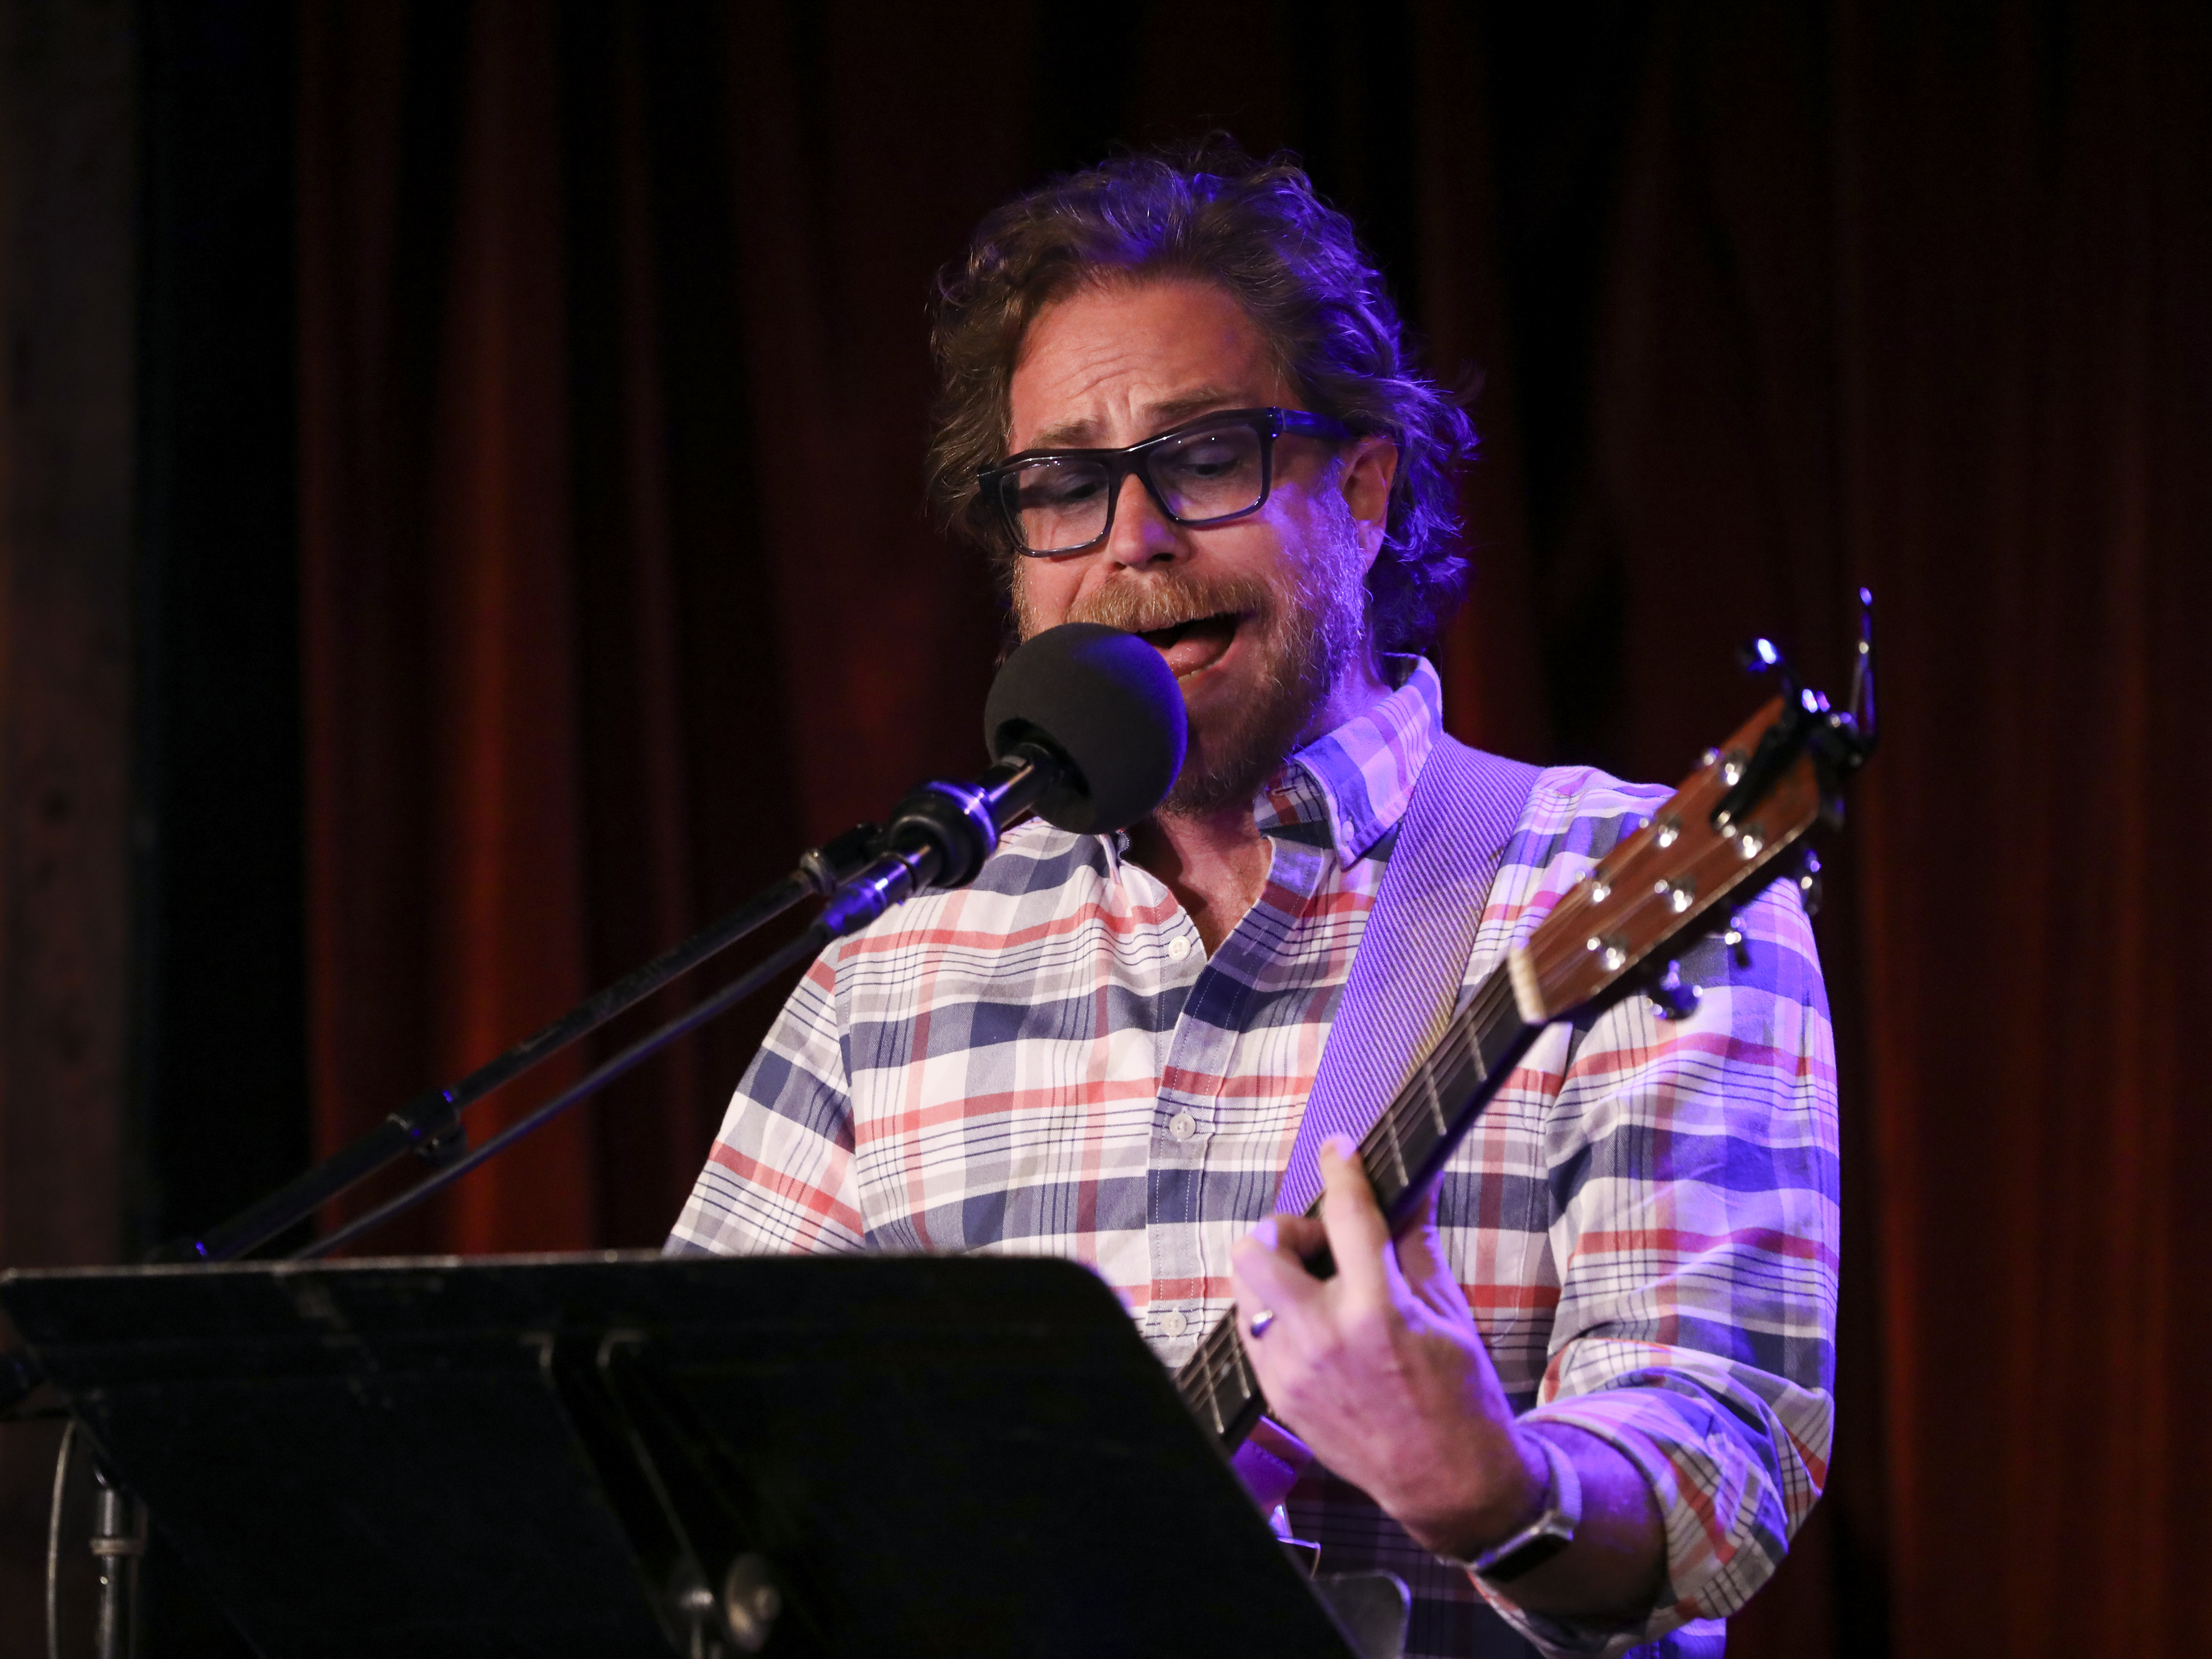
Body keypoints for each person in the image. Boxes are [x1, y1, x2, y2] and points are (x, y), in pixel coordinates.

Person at [667, 149, 1837, 1659]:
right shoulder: (898, 964)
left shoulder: (1609, 881)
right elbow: (695, 1467)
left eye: (1206, 457)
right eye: (1063, 485)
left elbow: (1718, 1448)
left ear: (1364, 488)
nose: (1133, 538)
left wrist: (1495, 1489)